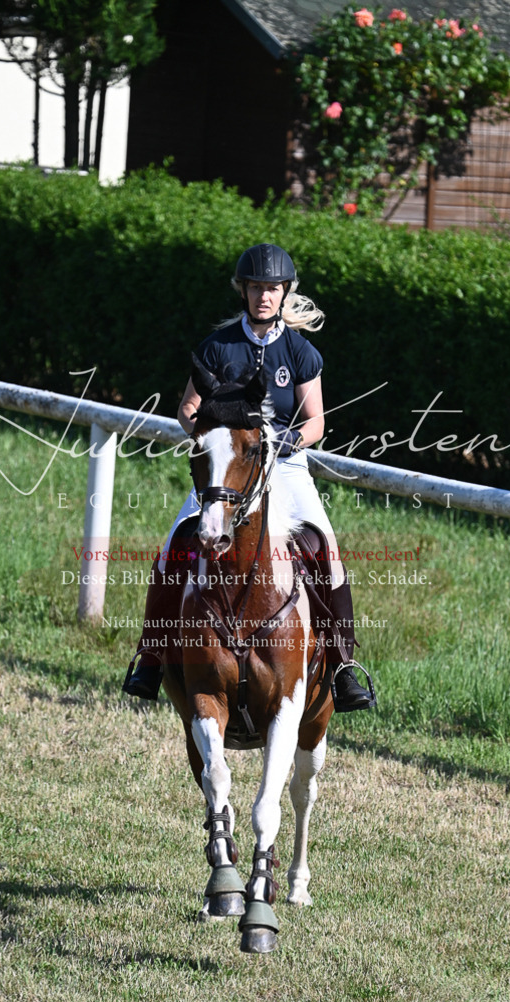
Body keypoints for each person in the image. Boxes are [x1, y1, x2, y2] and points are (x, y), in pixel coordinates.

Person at [123, 243, 374, 713]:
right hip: (229, 469)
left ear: (285, 293)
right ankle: (151, 658)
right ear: (243, 290)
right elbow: (187, 408)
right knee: (173, 549)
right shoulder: (217, 347)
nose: (264, 296)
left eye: (273, 288)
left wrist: (285, 444)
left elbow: (316, 422)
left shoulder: (301, 352)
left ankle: (342, 667)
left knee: (328, 551)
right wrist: (212, 439)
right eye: (256, 287)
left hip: (286, 465)